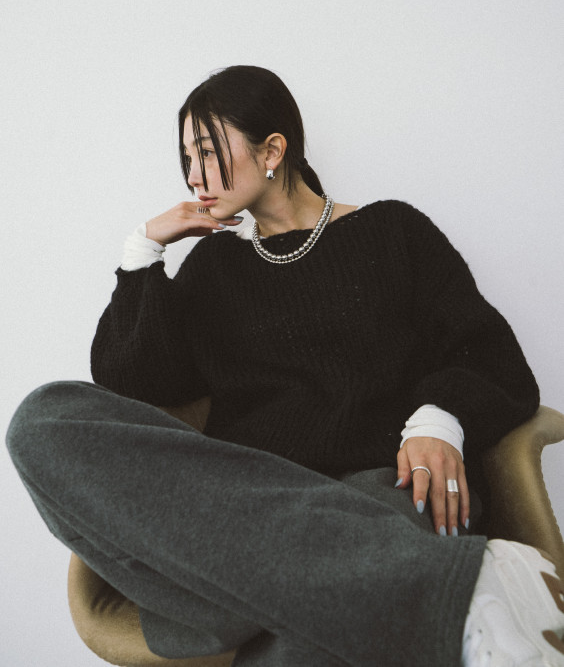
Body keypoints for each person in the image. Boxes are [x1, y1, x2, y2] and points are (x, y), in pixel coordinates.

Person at [6, 65, 564, 666]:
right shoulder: (214, 268)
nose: (193, 176)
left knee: (302, 641)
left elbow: (489, 352)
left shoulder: (394, 230)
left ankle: (233, 597)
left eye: (207, 152)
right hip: (250, 499)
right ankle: (469, 586)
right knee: (44, 419)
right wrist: (143, 252)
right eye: (186, 158)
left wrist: (438, 418)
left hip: (385, 488)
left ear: (272, 150)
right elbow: (135, 386)